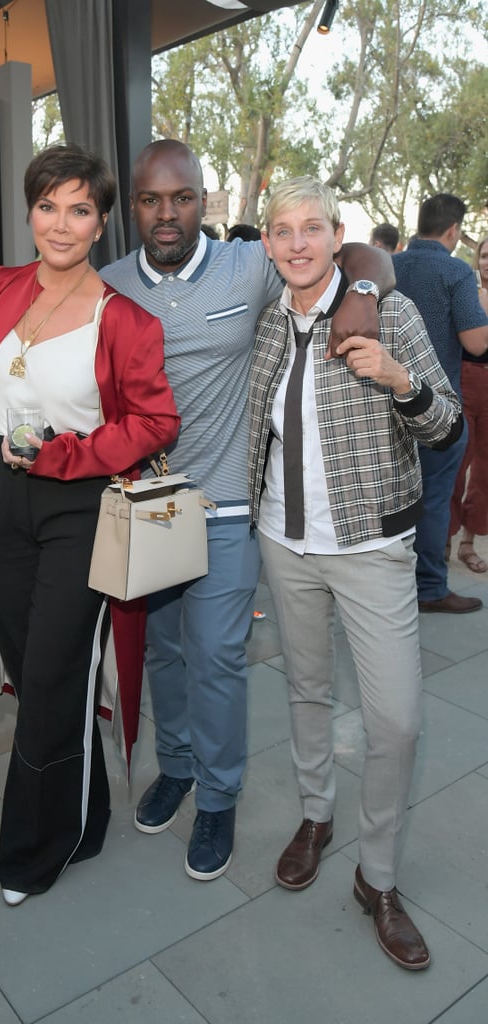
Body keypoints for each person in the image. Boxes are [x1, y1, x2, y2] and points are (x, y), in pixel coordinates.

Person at [100, 138, 395, 882]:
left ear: (205, 200)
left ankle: (221, 796)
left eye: (182, 197)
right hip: (144, 506)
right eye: (150, 199)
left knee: (219, 657)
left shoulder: (249, 264)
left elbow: (356, 255)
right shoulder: (106, 285)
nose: (167, 214)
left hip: (227, 504)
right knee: (163, 652)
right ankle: (178, 765)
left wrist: (364, 294)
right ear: (133, 205)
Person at [0, 143, 179, 906]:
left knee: (50, 675)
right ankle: (86, 816)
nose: (60, 222)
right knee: (39, 675)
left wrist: (67, 455)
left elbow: (155, 420)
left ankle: (31, 852)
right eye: (48, 205)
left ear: (102, 222)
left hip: (76, 505)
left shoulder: (126, 320)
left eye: (78, 209)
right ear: (30, 211)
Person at [249, 175, 462, 970]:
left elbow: (448, 426)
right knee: (305, 688)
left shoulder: (390, 313)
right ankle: (315, 814)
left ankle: (379, 878)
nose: (298, 243)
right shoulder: (268, 324)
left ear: (336, 235)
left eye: (312, 228)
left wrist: (400, 382)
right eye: (282, 230)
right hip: (283, 542)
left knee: (396, 719)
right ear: (267, 244)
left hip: (372, 549)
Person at [393, 194, 488, 612]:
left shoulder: (388, 265)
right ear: (452, 230)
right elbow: (476, 341)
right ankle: (429, 588)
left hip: (385, 402)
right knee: (433, 499)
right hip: (436, 408)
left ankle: (390, 586)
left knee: (394, 497)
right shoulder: (455, 271)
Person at [448, 235, 488, 573]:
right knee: (457, 463)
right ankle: (443, 541)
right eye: (485, 255)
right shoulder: (468, 290)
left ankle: (468, 543)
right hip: (466, 376)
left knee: (485, 470)